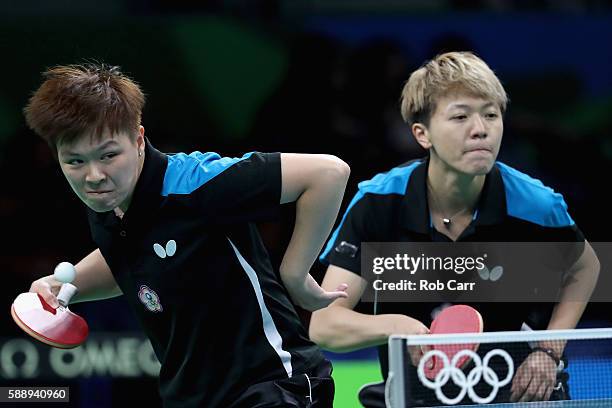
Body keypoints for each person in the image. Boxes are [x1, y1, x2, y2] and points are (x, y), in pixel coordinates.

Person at [23, 63, 351, 408]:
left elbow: (328, 173)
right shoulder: (109, 204)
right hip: (191, 397)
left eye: (108, 155)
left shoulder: (196, 184)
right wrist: (66, 286)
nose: (93, 176)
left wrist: (295, 274)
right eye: (74, 161)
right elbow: (130, 259)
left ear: (137, 138)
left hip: (270, 385)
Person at [309, 52, 600, 406]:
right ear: (423, 134)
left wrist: (549, 348)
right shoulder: (379, 204)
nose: (481, 129)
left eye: (491, 114)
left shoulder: (535, 205)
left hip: (516, 389)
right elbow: (325, 324)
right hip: (417, 393)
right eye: (460, 116)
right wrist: (400, 328)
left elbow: (586, 266)